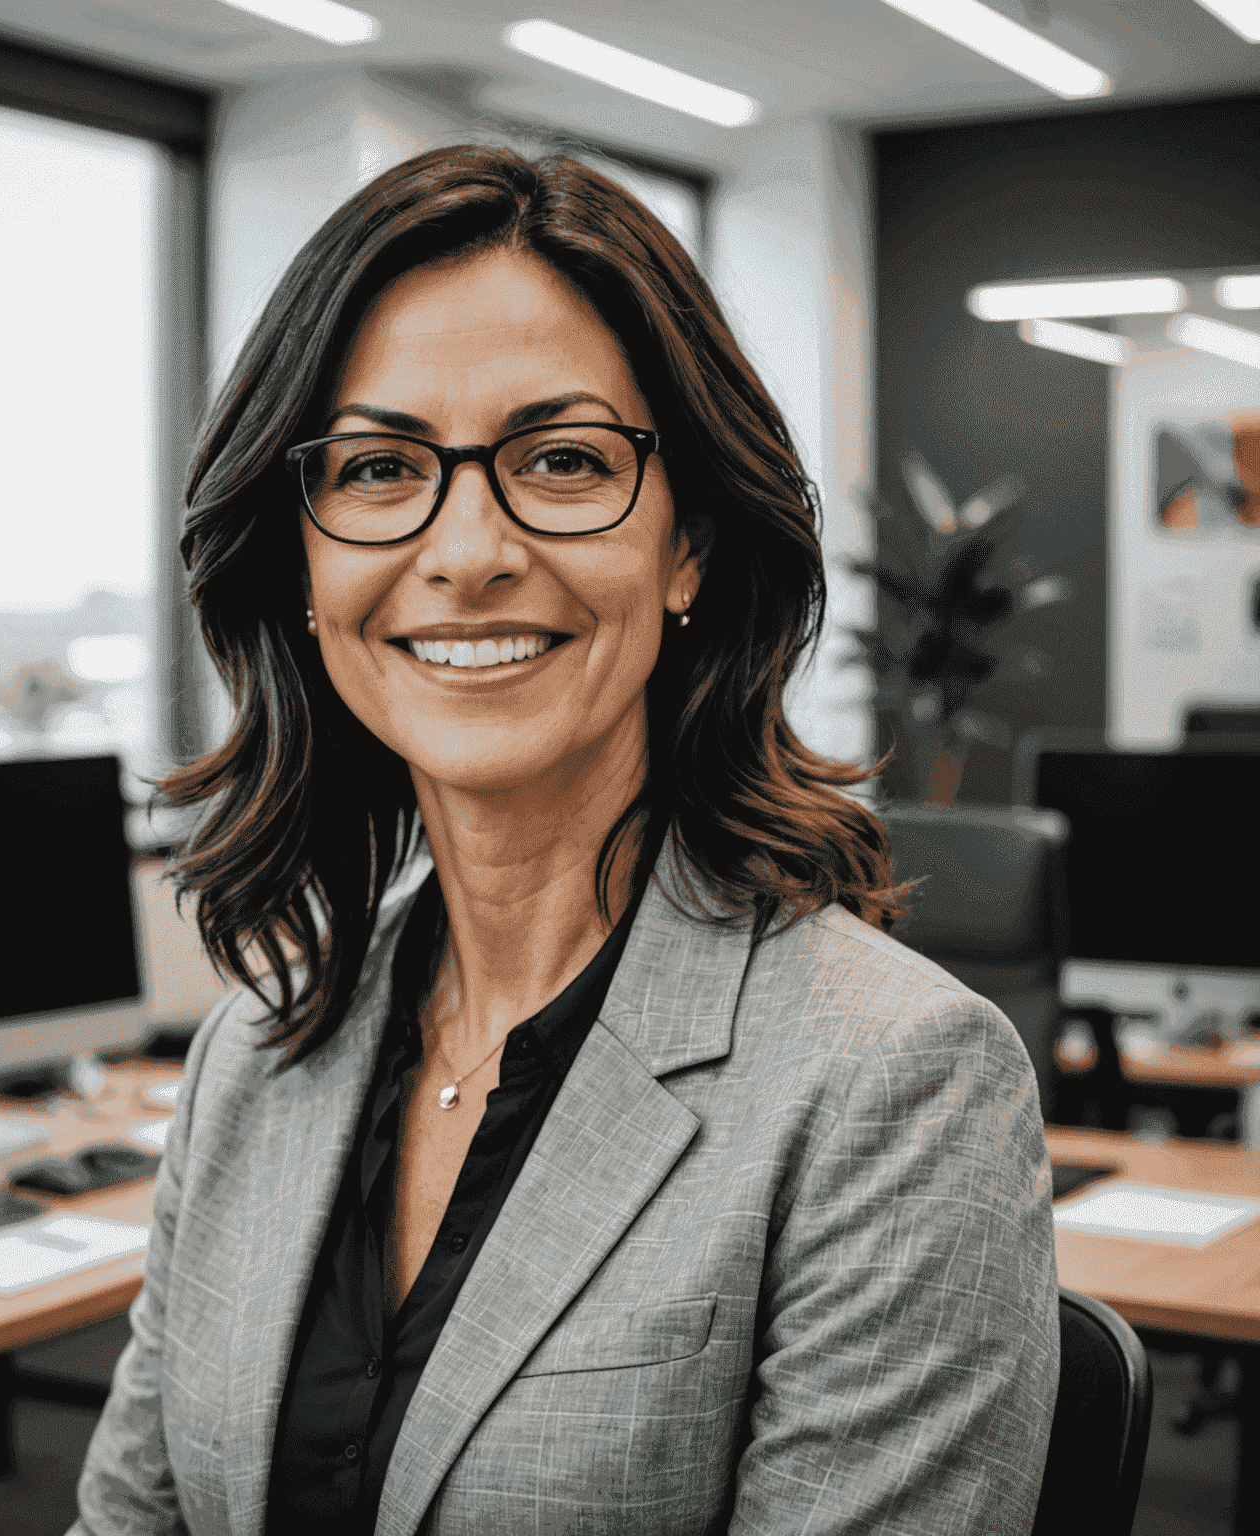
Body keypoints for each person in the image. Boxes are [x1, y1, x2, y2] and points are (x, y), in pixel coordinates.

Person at [69, 145, 1058, 1536]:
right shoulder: (254, 1057)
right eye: (376, 467)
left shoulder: (895, 1087)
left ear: (690, 545)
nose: (466, 548)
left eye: (564, 458)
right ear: (300, 563)